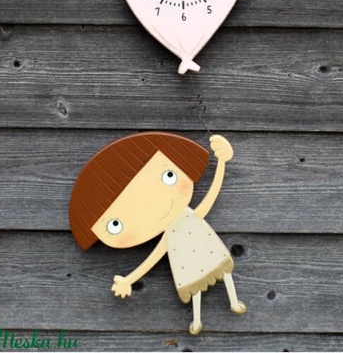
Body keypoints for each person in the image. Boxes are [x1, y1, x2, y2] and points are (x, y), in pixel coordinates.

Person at [69, 132, 246, 335]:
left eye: (168, 176)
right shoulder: (169, 237)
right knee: (196, 290)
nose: (154, 208)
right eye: (115, 225)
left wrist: (222, 162)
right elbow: (152, 259)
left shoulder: (188, 218)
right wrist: (128, 280)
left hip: (207, 250)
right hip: (187, 262)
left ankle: (233, 302)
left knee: (224, 274)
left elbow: (211, 196)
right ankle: (197, 321)